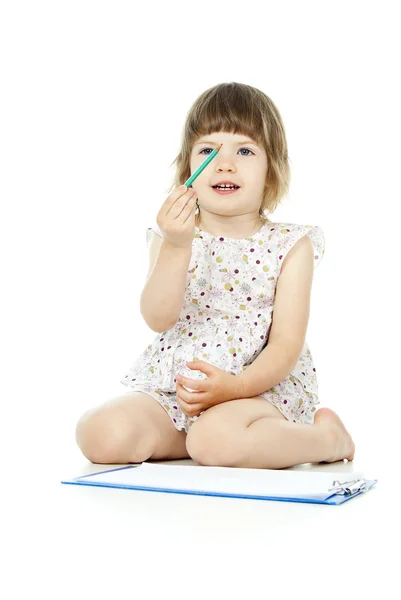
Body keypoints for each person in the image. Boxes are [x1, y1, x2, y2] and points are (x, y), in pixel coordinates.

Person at [75, 82, 355, 470]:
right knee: (100, 433)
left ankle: (327, 439)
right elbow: (158, 317)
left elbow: (285, 346)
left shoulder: (291, 245)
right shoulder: (172, 237)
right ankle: (202, 439)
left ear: (271, 171)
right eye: (208, 150)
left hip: (258, 393)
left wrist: (236, 387)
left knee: (214, 440)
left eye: (244, 150)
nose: (225, 164)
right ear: (187, 169)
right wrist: (176, 246)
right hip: (181, 391)